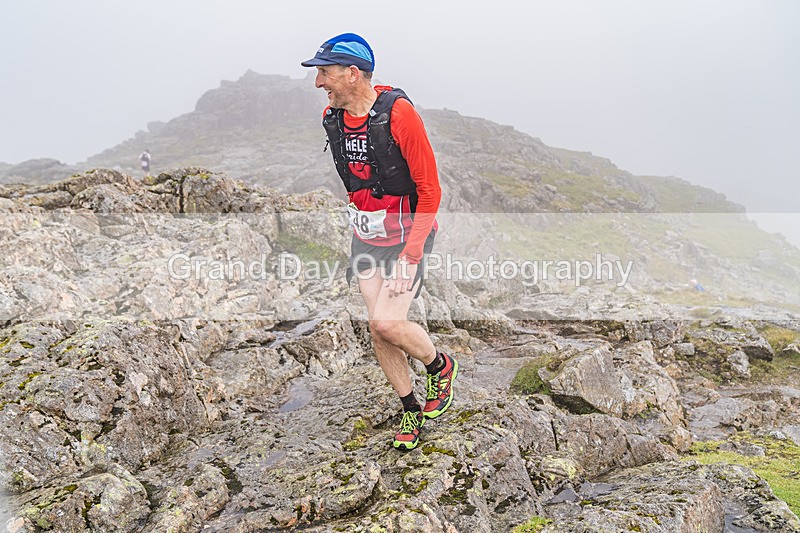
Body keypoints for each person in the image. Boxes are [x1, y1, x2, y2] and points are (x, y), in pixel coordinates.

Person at [301, 33, 458, 451]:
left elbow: (430, 190)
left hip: (408, 237)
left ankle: (440, 366)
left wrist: (410, 256)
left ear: (353, 73)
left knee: (388, 322)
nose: (319, 82)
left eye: (325, 73)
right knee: (378, 330)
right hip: (365, 237)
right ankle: (409, 405)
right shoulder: (332, 118)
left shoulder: (399, 115)